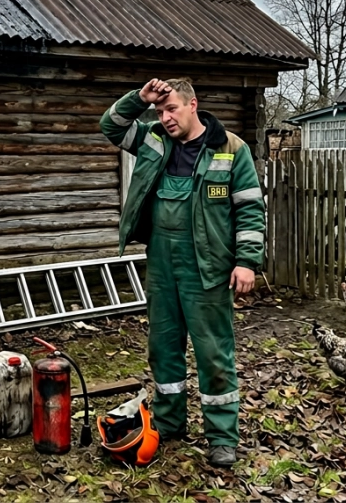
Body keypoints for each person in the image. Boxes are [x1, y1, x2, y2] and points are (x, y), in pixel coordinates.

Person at [99, 77, 264, 468]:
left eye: (171, 108)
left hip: (206, 266)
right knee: (164, 349)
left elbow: (250, 210)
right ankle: (170, 422)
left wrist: (247, 261)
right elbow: (111, 126)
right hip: (161, 263)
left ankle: (222, 437)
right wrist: (140, 99)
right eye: (160, 111)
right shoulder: (154, 140)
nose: (165, 117)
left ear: (193, 105)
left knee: (213, 353)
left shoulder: (231, 149)